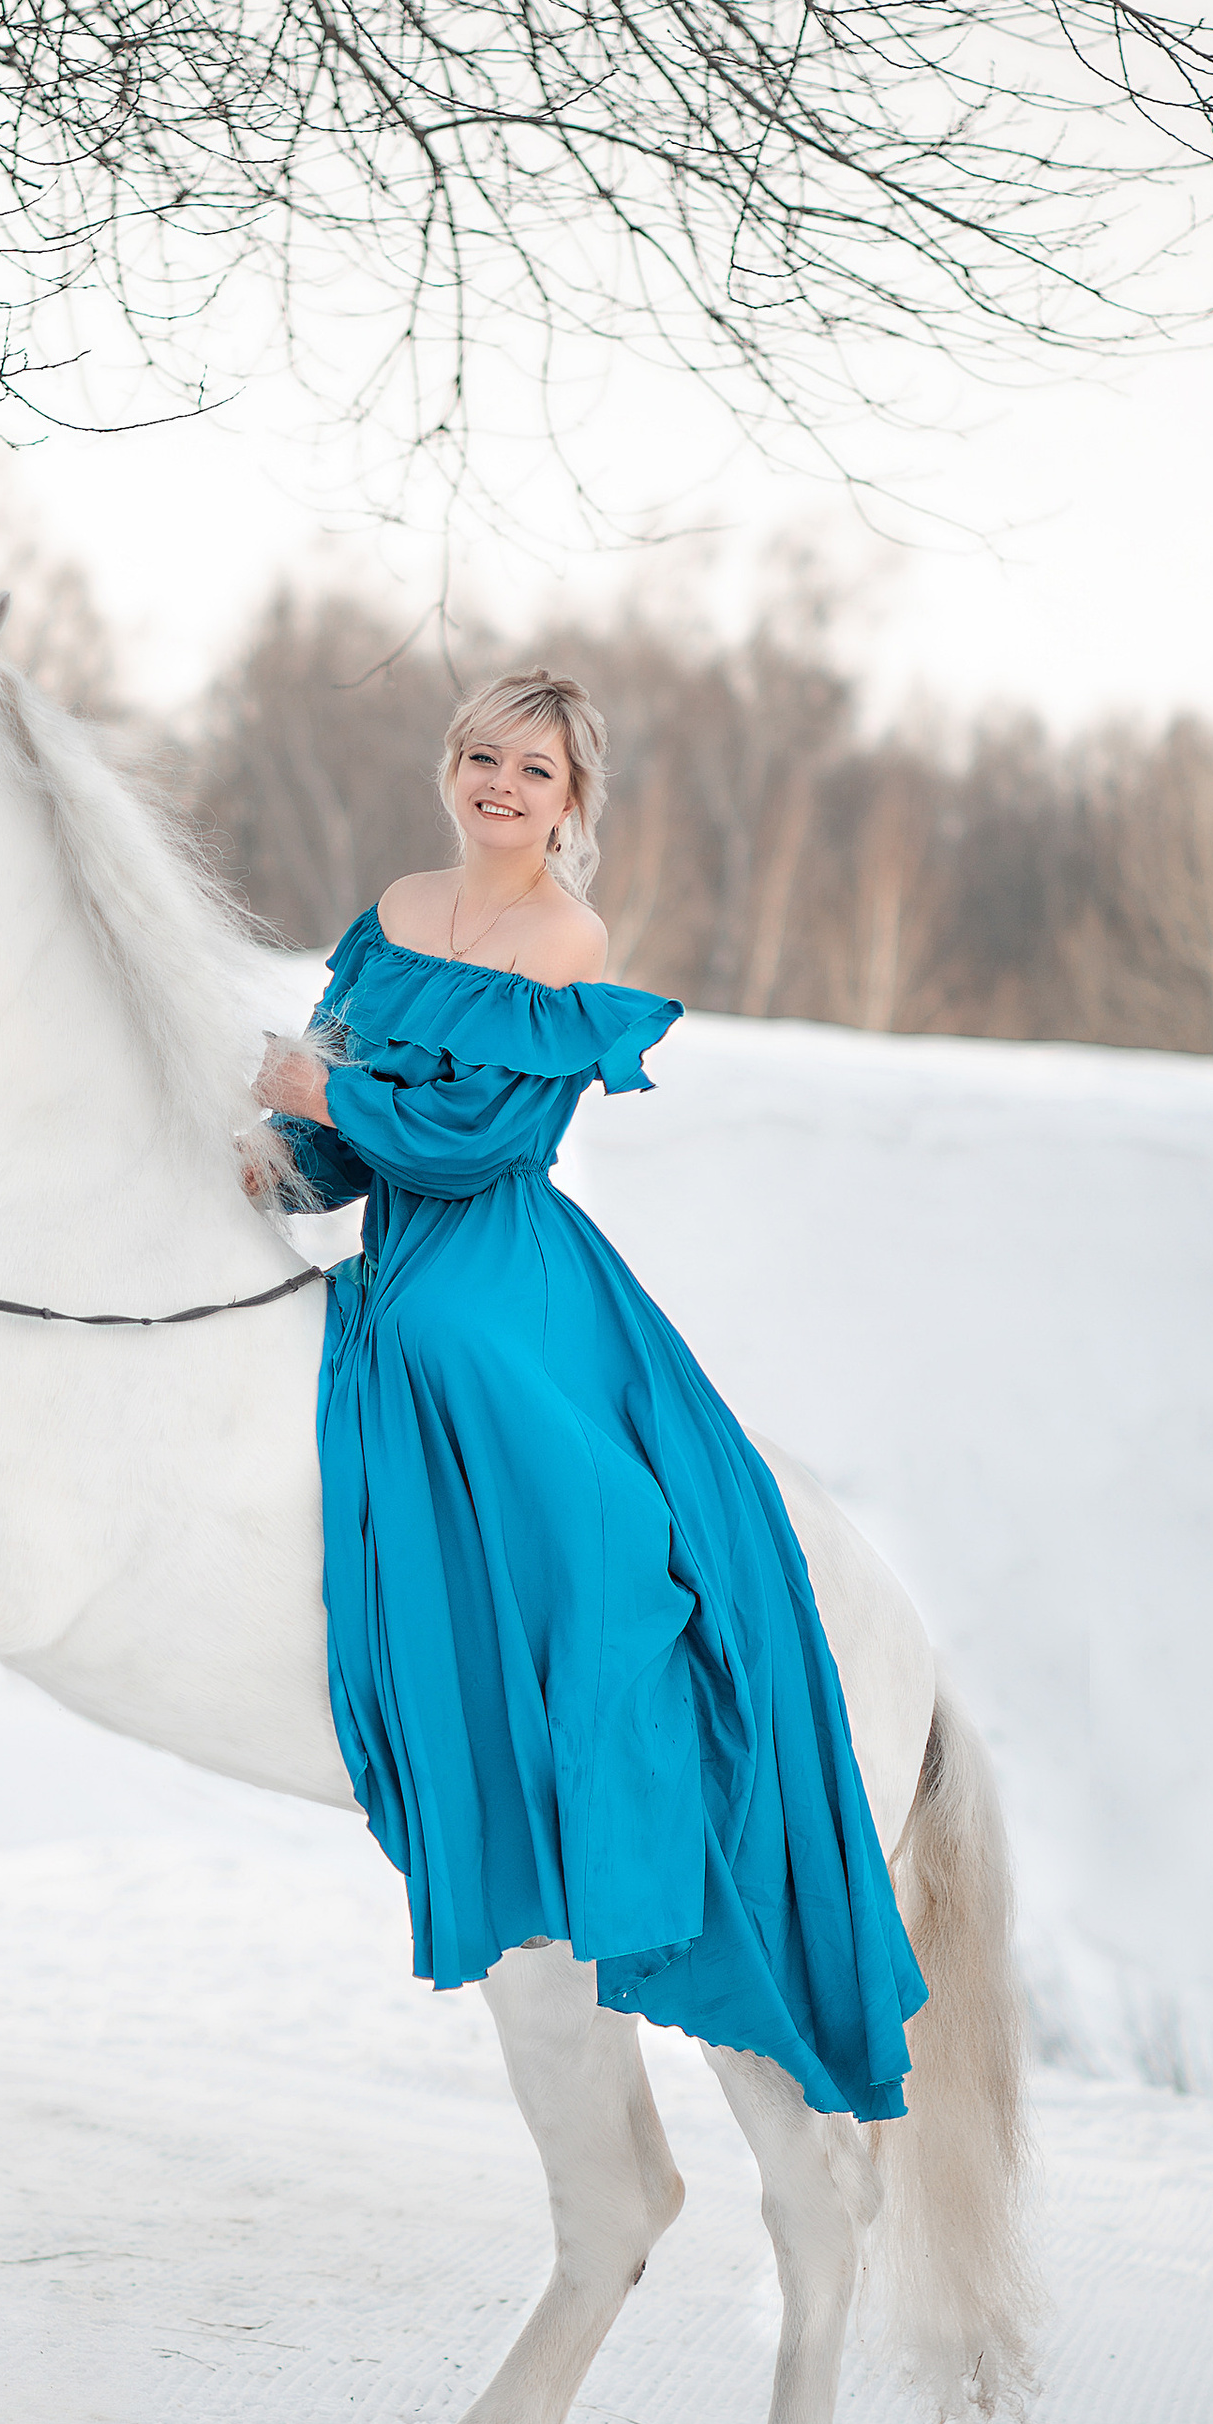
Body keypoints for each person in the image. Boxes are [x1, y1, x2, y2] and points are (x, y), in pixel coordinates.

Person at [255, 669, 923, 2121]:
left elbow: (470, 1140)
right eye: (483, 757)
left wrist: (318, 1103)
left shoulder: (568, 936)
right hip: (405, 1240)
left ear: (571, 802)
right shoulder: (392, 907)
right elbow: (341, 1122)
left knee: (499, 1417)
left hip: (497, 1259)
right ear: (453, 766)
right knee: (363, 1321)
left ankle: (606, 1744)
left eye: (534, 771)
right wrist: (280, 1155)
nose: (501, 785)